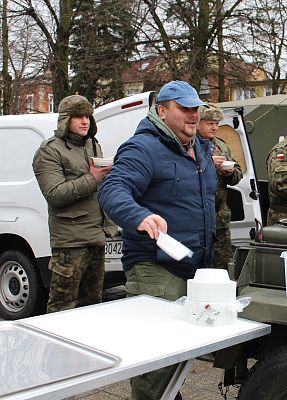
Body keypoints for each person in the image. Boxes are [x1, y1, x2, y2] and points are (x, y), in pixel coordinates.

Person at [98, 81, 215, 400]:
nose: (193, 115)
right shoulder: (143, 147)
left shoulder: (199, 148)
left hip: (193, 267)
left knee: (177, 355)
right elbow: (112, 189)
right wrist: (139, 216)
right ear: (162, 110)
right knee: (155, 362)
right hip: (156, 269)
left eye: (196, 108)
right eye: (184, 108)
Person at [32, 94, 116, 313]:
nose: (85, 121)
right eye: (78, 116)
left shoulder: (92, 144)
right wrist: (93, 178)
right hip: (70, 243)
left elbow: (99, 189)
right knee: (63, 308)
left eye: (88, 116)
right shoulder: (49, 150)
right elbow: (55, 194)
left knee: (92, 306)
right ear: (65, 120)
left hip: (95, 237)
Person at [197, 104, 243, 269]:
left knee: (223, 266)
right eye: (210, 123)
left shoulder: (221, 146)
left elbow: (238, 175)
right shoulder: (189, 145)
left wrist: (229, 172)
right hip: (197, 219)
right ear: (198, 122)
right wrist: (208, 164)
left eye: (217, 123)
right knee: (199, 267)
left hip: (220, 220)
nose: (215, 127)